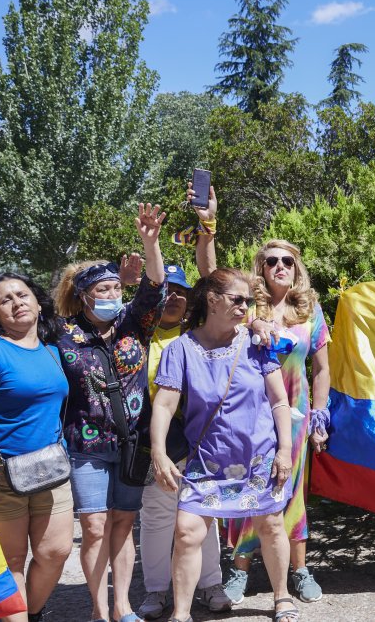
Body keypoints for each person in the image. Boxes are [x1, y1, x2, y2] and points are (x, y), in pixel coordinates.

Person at [191, 183, 332, 604]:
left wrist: (320, 417)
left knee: (291, 492)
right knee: (250, 488)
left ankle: (300, 569)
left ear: (297, 267)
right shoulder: (246, 307)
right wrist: (207, 226)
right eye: (271, 261)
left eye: (288, 260)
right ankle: (239, 570)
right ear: (261, 268)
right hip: (252, 414)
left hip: (296, 414)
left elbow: (322, 368)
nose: (280, 266)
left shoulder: (310, 312)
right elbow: (207, 275)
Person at [149, 267, 297, 622]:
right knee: (186, 532)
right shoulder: (181, 349)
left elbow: (279, 401)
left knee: (271, 526)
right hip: (207, 461)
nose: (245, 307)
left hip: (259, 457)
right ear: (212, 300)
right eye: (237, 299)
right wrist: (158, 451)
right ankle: (181, 614)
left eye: (248, 301)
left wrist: (285, 449)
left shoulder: (258, 344)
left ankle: (282, 597)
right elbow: (166, 403)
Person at [52, 204, 168, 622]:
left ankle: (123, 608)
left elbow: (156, 286)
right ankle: (99, 611)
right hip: (87, 445)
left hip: (133, 445)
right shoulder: (63, 334)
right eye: (101, 291)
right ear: (83, 296)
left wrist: (150, 242)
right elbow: (18, 328)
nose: (110, 296)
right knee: (96, 527)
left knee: (123, 522)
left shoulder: (133, 324)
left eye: (115, 289)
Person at [0, 272, 73, 622]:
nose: (17, 302)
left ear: (38, 302)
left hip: (50, 470)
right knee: (12, 561)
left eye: (22, 295)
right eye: (5, 300)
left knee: (56, 551)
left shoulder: (52, 351)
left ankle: (30, 612)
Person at [137, 265, 232, 619]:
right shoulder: (138, 334)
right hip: (155, 441)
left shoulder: (200, 334)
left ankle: (210, 584)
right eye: (168, 290)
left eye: (181, 291)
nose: (174, 297)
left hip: (200, 440)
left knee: (203, 513)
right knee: (158, 516)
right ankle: (156, 591)